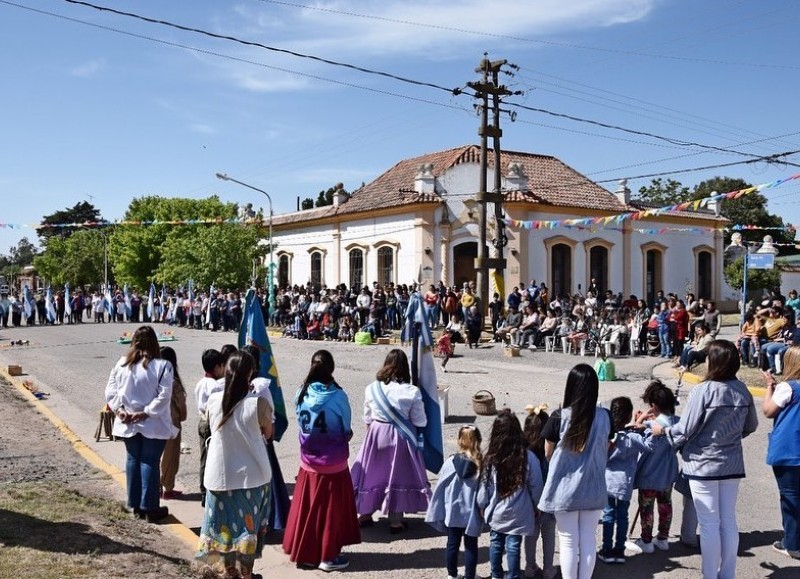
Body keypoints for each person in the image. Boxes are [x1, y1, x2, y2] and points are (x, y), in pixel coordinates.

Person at [651, 340, 758, 579]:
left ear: (716, 362)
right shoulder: (742, 390)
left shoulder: (703, 390)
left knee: (709, 523)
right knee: (728, 521)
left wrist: (664, 432)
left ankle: (710, 575)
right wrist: (730, 436)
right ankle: (726, 574)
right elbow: (751, 425)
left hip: (702, 464)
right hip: (731, 464)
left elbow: (685, 429)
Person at [197, 351, 273, 579]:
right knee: (246, 534)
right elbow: (268, 433)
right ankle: (246, 574)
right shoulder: (257, 403)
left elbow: (207, 428)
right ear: (250, 373)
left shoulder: (213, 400)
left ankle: (227, 572)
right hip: (252, 478)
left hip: (219, 477)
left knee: (222, 532)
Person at [283, 350, 360, 572]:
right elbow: (346, 428)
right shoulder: (338, 396)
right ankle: (328, 556)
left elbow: (300, 422)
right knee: (330, 511)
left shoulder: (301, 392)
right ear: (331, 369)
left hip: (308, 461)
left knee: (308, 509)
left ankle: (307, 554)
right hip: (333, 463)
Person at [538, 364, 611, 579]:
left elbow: (548, 452)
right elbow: (606, 446)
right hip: (594, 486)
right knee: (588, 539)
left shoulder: (559, 416)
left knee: (568, 540)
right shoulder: (605, 416)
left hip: (564, 488)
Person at [351, 349, 430, 533]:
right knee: (397, 476)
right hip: (401, 438)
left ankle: (365, 513)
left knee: (372, 475)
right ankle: (395, 520)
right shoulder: (411, 391)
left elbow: (367, 418)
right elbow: (420, 421)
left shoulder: (372, 388)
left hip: (376, 433)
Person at [105, 325, 175, 522]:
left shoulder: (121, 364)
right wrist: (145, 413)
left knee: (133, 460)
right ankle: (150, 507)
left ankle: (134, 504)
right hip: (152, 423)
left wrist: (120, 410)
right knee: (149, 462)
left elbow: (110, 391)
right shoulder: (163, 366)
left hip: (127, 421)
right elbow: (164, 396)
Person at [477, 409, 544, 579]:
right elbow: (536, 485)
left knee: (496, 543)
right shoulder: (528, 457)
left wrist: (482, 504)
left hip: (496, 512)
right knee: (513, 545)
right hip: (519, 512)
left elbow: (484, 486)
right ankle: (513, 575)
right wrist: (537, 505)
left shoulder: (491, 458)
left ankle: (496, 575)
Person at [426, 425, 484, 579]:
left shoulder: (450, 462)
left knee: (452, 545)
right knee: (471, 546)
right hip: (472, 514)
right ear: (478, 441)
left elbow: (441, 486)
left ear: (459, 441)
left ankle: (452, 575)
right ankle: (470, 575)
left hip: (453, 512)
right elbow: (485, 490)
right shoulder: (480, 465)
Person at [629, 380, 680, 554]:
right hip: (667, 474)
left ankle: (646, 540)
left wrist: (640, 423)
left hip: (650, 474)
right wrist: (647, 421)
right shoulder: (676, 423)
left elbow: (647, 443)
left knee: (647, 508)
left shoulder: (655, 426)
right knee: (665, 505)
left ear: (654, 405)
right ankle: (663, 538)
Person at [762, 345, 800, 559]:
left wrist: (769, 386)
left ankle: (792, 543)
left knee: (790, 498)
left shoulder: (789, 387)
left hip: (789, 450)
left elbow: (768, 410)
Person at [599, 397, 647, 565]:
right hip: (625, 483)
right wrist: (642, 425)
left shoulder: (609, 436)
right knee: (622, 517)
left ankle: (607, 550)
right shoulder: (632, 436)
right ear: (628, 417)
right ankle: (619, 551)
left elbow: (602, 457)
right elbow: (648, 447)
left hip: (608, 482)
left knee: (608, 515)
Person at [523, 404, 557, 579]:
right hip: (549, 501)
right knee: (549, 535)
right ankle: (549, 569)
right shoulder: (551, 451)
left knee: (530, 535)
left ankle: (529, 567)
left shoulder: (525, 453)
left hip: (529, 503)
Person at [194, 348, 226, 505]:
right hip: (210, 423)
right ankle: (207, 492)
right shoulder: (215, 385)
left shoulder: (201, 383)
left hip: (201, 421)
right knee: (210, 458)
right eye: (222, 366)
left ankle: (203, 491)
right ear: (217, 367)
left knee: (203, 457)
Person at [159, 346, 187, 500]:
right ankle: (168, 488)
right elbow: (181, 404)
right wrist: (182, 417)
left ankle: (156, 486)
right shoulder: (173, 381)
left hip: (155, 422)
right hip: (171, 423)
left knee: (156, 456)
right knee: (170, 457)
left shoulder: (152, 378)